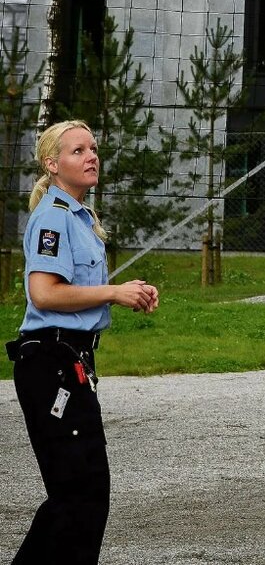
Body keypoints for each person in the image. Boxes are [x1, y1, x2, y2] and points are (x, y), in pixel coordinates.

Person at [5, 120, 160, 565]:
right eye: (78, 151)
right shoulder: (53, 217)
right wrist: (114, 291)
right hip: (49, 361)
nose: (91, 156)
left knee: (85, 493)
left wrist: (126, 294)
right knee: (77, 496)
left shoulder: (78, 215)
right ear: (52, 164)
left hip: (68, 359)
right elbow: (45, 293)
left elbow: (74, 294)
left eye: (93, 148)